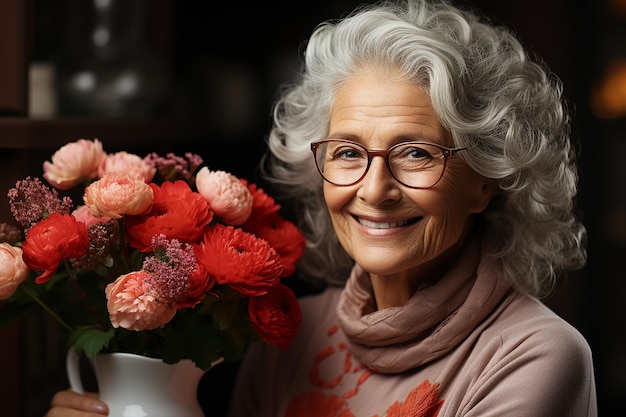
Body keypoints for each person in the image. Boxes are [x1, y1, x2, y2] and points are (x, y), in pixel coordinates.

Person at [45, 0, 597, 416]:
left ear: (487, 179)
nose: (375, 189)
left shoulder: (537, 356)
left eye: (415, 154)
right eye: (349, 152)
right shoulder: (291, 332)